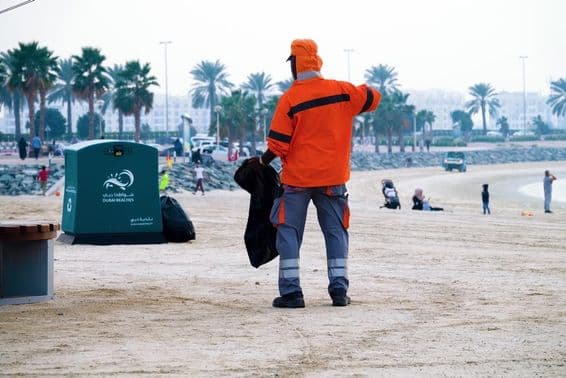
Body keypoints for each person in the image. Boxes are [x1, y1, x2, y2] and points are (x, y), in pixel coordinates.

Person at [253, 39, 381, 308]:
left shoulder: (290, 99)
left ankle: (291, 294)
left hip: (298, 180)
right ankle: (338, 291)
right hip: (333, 179)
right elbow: (372, 97)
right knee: (336, 231)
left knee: (288, 232)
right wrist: (358, 94)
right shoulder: (342, 91)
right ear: (316, 62)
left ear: (295, 65)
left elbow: (277, 144)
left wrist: (262, 162)